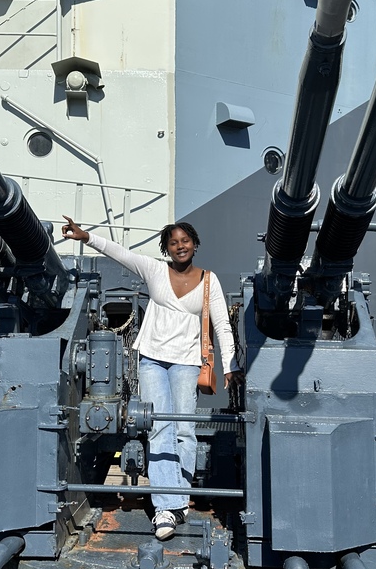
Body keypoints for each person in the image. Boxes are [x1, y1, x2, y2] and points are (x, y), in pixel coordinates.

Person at [61, 216, 242, 539]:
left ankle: (178, 499)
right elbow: (120, 253)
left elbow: (222, 325)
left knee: (185, 430)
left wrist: (230, 365)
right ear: (166, 248)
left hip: (187, 363)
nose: (180, 246)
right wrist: (86, 237)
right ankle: (165, 507)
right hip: (152, 360)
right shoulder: (155, 270)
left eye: (185, 240)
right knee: (159, 428)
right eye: (173, 242)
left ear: (195, 244)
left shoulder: (208, 281)